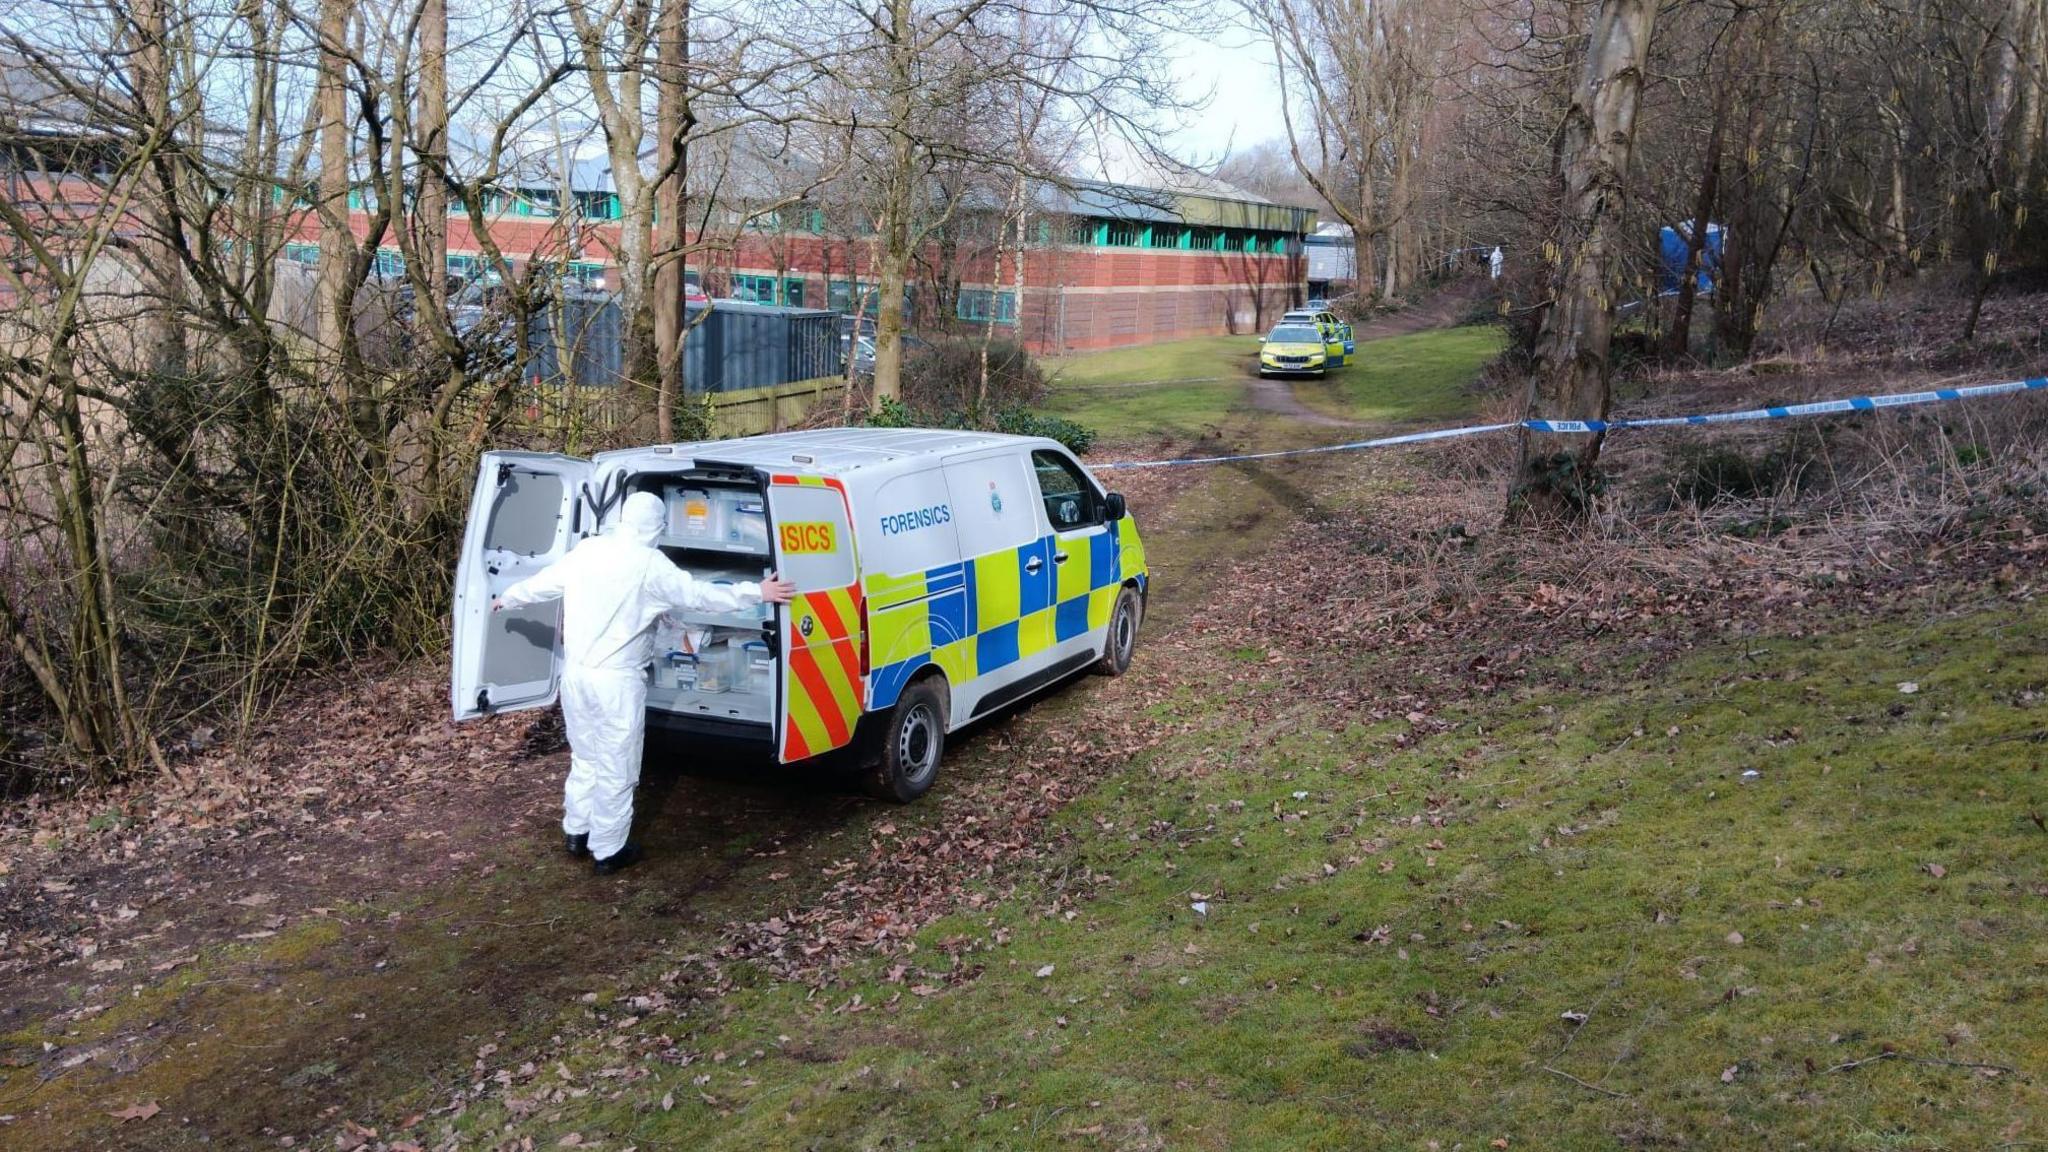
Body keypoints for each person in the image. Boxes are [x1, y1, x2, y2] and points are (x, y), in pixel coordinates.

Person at [493, 491, 795, 874]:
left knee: (585, 756)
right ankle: (609, 849)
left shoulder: (588, 551)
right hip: (616, 682)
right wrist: (757, 591)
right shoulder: (651, 565)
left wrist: (508, 598)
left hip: (576, 676)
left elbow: (543, 583)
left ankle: (576, 831)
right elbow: (700, 596)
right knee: (618, 765)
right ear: (657, 526)